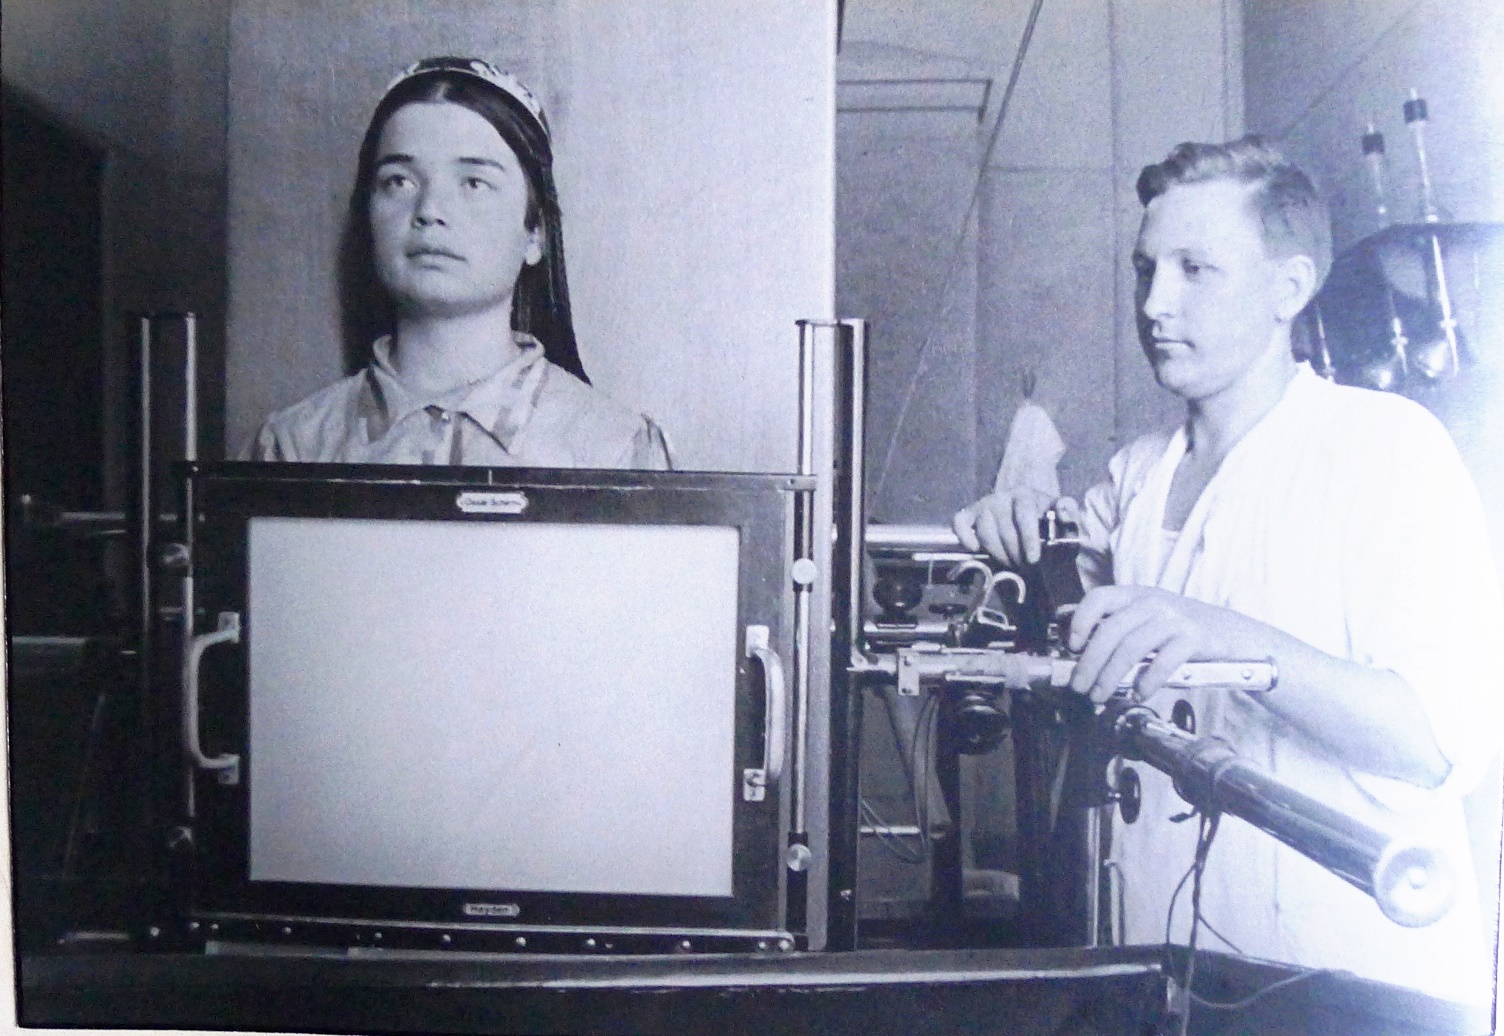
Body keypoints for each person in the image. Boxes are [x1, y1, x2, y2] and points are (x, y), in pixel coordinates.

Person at [953, 136, 1503, 1002]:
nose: (1154, 304)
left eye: (1195, 270)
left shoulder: (1387, 450)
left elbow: (1437, 741)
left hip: (1346, 984)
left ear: (1289, 288)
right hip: (1164, 968)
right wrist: (1017, 526)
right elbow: (1067, 611)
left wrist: (1227, 636)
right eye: (1146, 270)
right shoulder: (1138, 473)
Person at [244, 57, 671, 468]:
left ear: (535, 233)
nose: (430, 210)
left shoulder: (616, 448)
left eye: (474, 183)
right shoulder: (292, 446)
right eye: (399, 181)